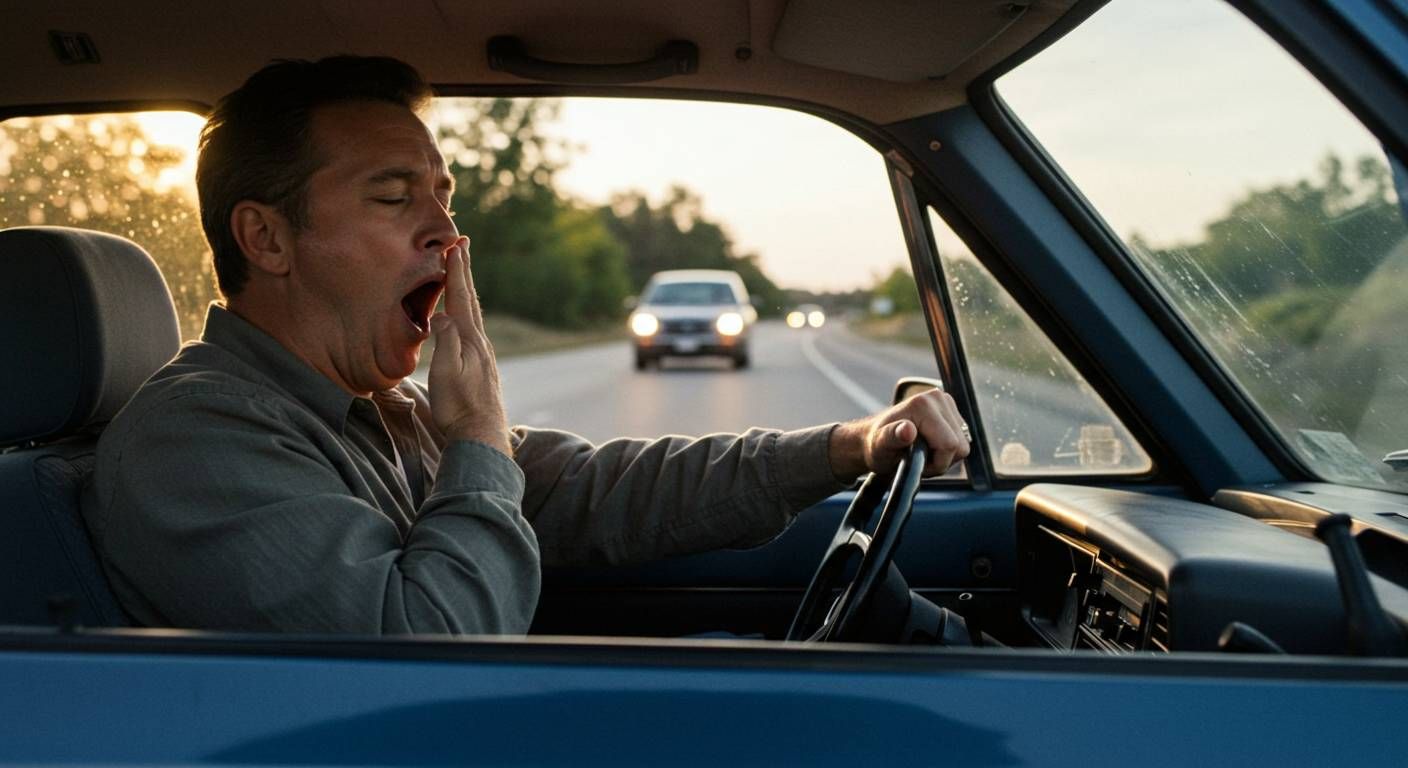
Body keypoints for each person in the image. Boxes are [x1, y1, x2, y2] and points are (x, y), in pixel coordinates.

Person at [84, 56, 971, 635]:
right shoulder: (195, 438)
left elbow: (600, 490)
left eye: (444, 194)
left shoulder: (377, 410)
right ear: (267, 240)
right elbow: (429, 656)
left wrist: (846, 446)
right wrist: (473, 436)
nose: (448, 232)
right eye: (395, 199)